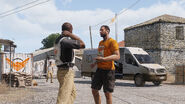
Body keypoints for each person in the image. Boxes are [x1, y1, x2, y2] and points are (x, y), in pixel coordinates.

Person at [54, 22, 85, 104]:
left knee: (72, 93)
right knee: (62, 99)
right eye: (71, 31)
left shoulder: (58, 40)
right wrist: (71, 35)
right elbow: (83, 44)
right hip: (65, 72)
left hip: (62, 70)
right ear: (70, 30)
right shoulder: (65, 41)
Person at [91, 25, 120, 104]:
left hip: (109, 71)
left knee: (107, 94)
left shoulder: (112, 42)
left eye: (102, 30)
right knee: (94, 90)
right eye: (100, 30)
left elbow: (117, 56)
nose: (100, 31)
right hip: (99, 70)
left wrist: (104, 59)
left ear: (107, 31)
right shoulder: (100, 43)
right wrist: (95, 63)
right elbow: (100, 56)